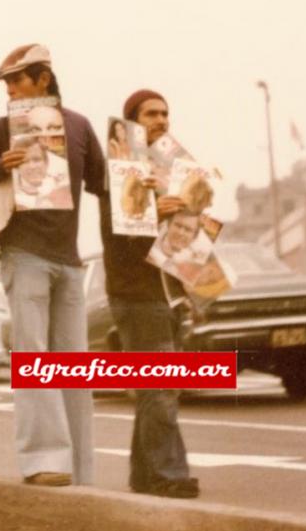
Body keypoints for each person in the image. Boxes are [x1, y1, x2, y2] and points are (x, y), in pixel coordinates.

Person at [0, 44, 105, 488]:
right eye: (6, 82)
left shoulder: (78, 126)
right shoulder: (4, 128)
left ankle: (79, 468)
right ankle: (44, 461)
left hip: (68, 258)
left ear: (44, 79)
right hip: (23, 254)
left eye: (19, 79)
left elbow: (105, 181)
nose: (11, 89)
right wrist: (0, 164)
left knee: (74, 364)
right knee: (34, 357)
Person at [100, 88, 199, 499]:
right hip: (137, 293)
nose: (161, 120)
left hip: (167, 292)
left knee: (155, 386)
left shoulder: (172, 171)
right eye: (151, 114)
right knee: (160, 386)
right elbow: (117, 240)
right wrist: (151, 210)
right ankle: (168, 473)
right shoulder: (120, 172)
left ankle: (145, 474)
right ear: (132, 123)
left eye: (165, 113)